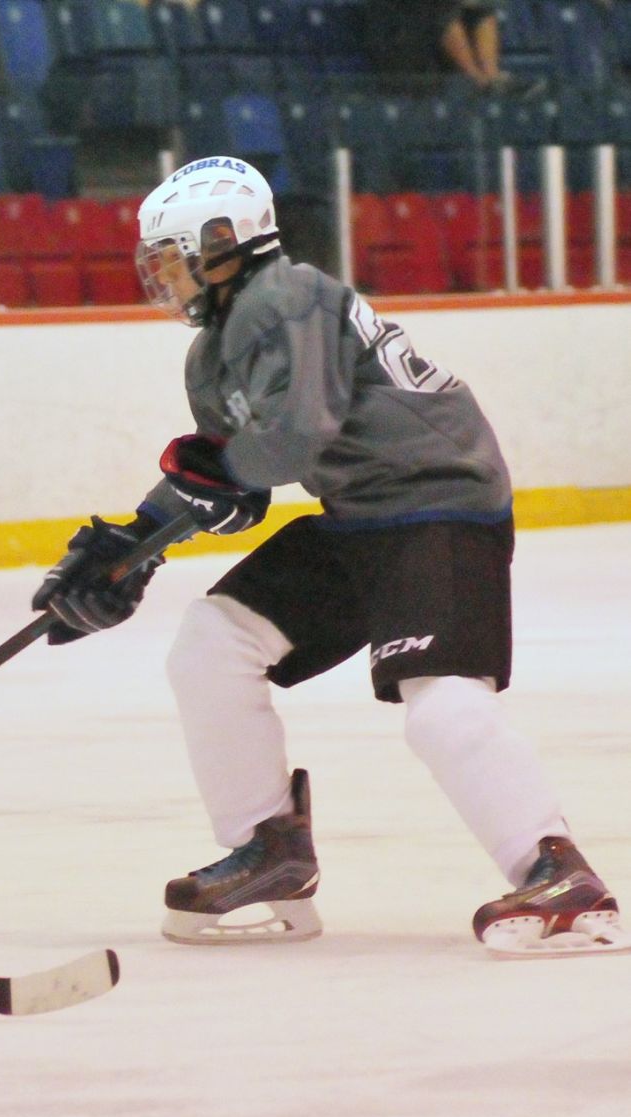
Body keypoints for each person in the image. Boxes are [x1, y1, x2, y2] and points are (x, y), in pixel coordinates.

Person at [31, 155, 625, 957]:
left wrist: (198, 491)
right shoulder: (211, 355)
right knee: (212, 643)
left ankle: (559, 875)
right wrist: (131, 546)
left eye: (170, 258)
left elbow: (290, 439)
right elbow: (235, 482)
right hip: (358, 518)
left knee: (442, 702)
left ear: (222, 241)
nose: (161, 279)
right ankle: (268, 849)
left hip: (435, 505)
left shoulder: (289, 296)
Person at [365, 1, 512, 95]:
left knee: (482, 9)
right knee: (441, 10)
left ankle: (492, 77)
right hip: (398, 31)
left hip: (433, 28)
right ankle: (478, 80)